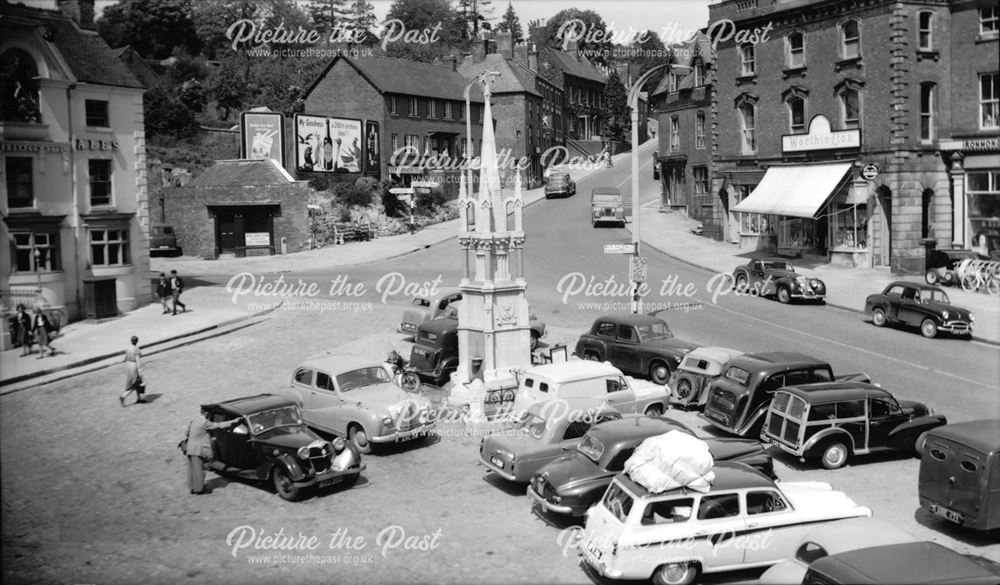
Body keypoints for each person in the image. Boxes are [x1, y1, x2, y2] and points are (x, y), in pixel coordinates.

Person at [184, 412, 238, 495]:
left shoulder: (194, 421)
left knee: (193, 469)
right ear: (207, 415)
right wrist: (232, 422)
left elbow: (186, 433)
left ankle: (194, 488)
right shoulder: (204, 422)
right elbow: (218, 425)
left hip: (190, 448)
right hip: (198, 449)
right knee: (199, 470)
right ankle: (199, 489)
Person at [119, 335, 143, 406]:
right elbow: (138, 360)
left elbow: (125, 358)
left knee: (137, 383)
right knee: (135, 384)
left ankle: (139, 398)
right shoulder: (136, 349)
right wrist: (139, 370)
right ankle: (123, 396)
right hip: (134, 366)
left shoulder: (128, 349)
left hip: (128, 366)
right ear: (137, 341)